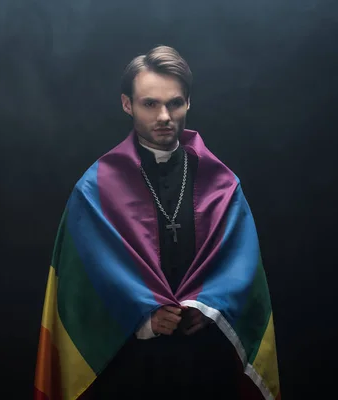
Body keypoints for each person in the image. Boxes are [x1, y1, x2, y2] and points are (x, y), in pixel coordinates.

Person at [34, 45, 280, 400]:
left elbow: (241, 268)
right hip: (129, 368)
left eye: (175, 103)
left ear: (188, 103)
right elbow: (80, 285)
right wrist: (142, 320)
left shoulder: (221, 183)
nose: (164, 116)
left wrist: (209, 308)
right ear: (127, 104)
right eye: (150, 103)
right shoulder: (95, 188)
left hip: (204, 365)